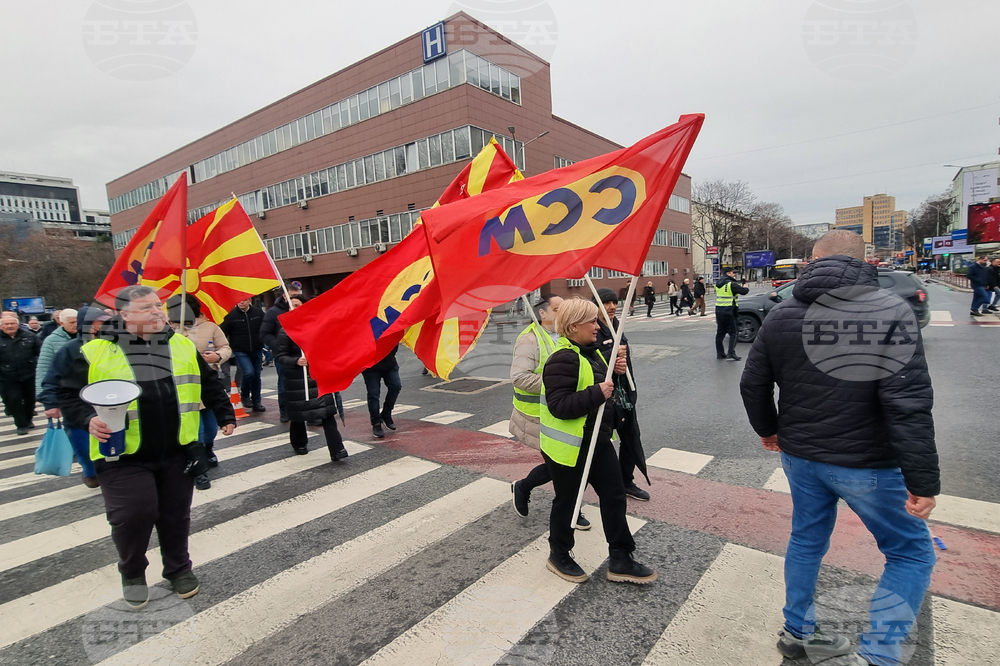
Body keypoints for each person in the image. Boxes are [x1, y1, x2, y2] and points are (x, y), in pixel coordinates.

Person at [740, 230, 938, 666]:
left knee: (807, 538)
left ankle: (797, 632)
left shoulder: (781, 314)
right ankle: (881, 654)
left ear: (812, 261)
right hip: (867, 460)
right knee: (910, 551)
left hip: (801, 455)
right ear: (863, 261)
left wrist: (769, 431)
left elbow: (753, 383)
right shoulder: (890, 310)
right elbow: (907, 402)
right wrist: (923, 479)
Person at [58, 285, 236, 609]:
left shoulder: (181, 344)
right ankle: (132, 572)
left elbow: (207, 383)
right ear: (125, 314)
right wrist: (87, 419)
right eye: (147, 308)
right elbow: (69, 395)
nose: (157, 312)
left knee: (174, 516)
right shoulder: (93, 350)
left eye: (158, 306)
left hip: (177, 449)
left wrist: (225, 413)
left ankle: (179, 569)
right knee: (132, 516)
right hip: (121, 453)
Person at [540, 297, 655, 585]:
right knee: (568, 501)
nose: (597, 325)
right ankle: (559, 554)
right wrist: (598, 391)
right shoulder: (562, 358)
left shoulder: (590, 352)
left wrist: (614, 374)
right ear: (573, 326)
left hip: (597, 441)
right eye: (591, 321)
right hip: (570, 448)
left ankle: (621, 557)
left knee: (614, 496)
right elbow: (560, 406)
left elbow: (600, 388)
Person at [509, 295, 591, 530]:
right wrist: (557, 382)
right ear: (542, 314)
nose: (562, 313)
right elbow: (519, 377)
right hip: (537, 414)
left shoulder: (567, 335)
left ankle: (530, 490)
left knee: (568, 462)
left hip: (563, 411)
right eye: (557, 309)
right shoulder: (530, 339)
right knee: (563, 464)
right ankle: (564, 506)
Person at [39, 306, 111, 489]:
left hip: (107, 403)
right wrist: (50, 402)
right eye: (101, 321)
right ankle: (89, 471)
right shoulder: (70, 349)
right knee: (84, 448)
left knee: (107, 441)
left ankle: (108, 472)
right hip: (78, 406)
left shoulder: (114, 345)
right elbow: (53, 376)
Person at [166, 295, 232, 491]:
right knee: (196, 432)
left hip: (206, 384)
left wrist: (217, 356)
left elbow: (225, 347)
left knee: (210, 429)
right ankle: (199, 467)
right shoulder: (167, 331)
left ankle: (209, 448)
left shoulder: (210, 327)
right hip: (182, 390)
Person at [273, 297, 349, 461]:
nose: (294, 308)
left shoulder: (316, 326)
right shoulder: (285, 331)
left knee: (327, 412)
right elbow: (280, 356)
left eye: (298, 305)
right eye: (292, 305)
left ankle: (338, 449)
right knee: (298, 413)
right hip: (297, 379)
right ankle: (299, 443)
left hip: (318, 375)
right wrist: (295, 361)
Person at [593, 289, 650, 502]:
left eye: (614, 302)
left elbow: (624, 357)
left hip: (624, 392)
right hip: (605, 395)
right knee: (599, 445)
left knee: (631, 437)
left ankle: (627, 481)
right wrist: (612, 355)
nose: (611, 307)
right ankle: (597, 486)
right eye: (606, 303)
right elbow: (591, 359)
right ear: (596, 305)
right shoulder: (593, 328)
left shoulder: (616, 324)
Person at [259, 281, 302, 423]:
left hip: (301, 353)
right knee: (284, 383)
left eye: (297, 296)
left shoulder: (301, 308)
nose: (295, 299)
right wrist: (277, 345)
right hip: (283, 354)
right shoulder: (273, 312)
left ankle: (303, 410)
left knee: (303, 383)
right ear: (285, 295)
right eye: (292, 296)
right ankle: (284, 411)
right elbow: (265, 333)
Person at [0, 310, 41, 435]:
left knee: (30, 400)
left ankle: (28, 420)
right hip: (7, 377)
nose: (9, 326)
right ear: (1, 326)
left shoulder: (29, 336)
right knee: (14, 400)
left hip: (29, 374)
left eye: (12, 323)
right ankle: (21, 424)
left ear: (17, 324)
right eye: (6, 324)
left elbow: (39, 352)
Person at [221, 298, 266, 411]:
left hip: (257, 348)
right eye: (239, 300)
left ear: (249, 300)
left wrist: (265, 340)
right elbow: (222, 333)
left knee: (256, 375)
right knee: (248, 372)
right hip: (240, 350)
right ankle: (245, 395)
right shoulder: (231, 315)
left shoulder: (258, 312)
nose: (241, 302)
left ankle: (257, 401)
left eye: (244, 300)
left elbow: (265, 327)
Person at [36, 309, 77, 401]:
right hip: (64, 386)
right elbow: (44, 366)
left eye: (78, 321)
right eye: (72, 322)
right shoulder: (51, 340)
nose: (76, 325)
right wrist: (43, 394)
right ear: (61, 323)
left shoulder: (88, 337)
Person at [362, 344, 401, 439]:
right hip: (371, 366)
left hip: (389, 362)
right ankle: (376, 423)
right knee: (373, 395)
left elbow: (394, 339)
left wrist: (390, 353)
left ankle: (386, 413)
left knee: (396, 386)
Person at [715, 268, 748, 361]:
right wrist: (745, 286)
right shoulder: (731, 284)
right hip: (729, 310)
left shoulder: (718, 283)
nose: (734, 275)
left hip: (719, 310)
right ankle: (731, 352)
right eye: (733, 273)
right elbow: (744, 292)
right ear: (728, 273)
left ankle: (720, 353)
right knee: (734, 333)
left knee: (720, 333)